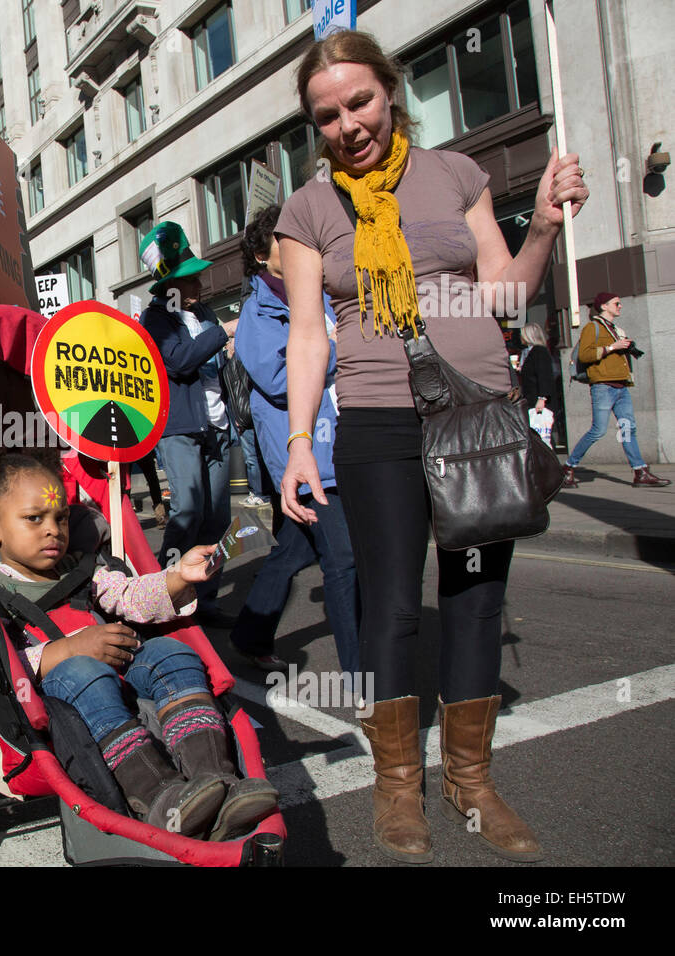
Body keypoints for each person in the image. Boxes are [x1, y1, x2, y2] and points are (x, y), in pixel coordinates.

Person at [277, 30, 589, 864]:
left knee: (478, 598)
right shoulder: (309, 210)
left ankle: (472, 782)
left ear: (391, 89)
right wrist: (300, 441)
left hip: (479, 417)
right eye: (328, 115)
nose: (347, 124)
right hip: (378, 422)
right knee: (389, 606)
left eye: (360, 102)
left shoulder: (456, 174)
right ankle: (397, 788)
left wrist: (546, 229)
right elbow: (308, 334)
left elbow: (505, 291)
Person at [0, 448, 278, 839]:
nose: (53, 529)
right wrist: (68, 649)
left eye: (61, 517)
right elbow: (2, 666)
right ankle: (157, 794)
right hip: (63, 693)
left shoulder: (85, 569)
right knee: (82, 669)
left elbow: (131, 596)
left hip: (121, 668)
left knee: (172, 652)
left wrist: (178, 577)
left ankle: (216, 779)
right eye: (34, 519)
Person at [229, 204, 359, 677]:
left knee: (294, 550)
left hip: (343, 443)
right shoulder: (255, 312)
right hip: (302, 457)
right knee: (344, 561)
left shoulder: (322, 294)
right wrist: (339, 353)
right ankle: (364, 675)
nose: (302, 244)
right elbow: (280, 377)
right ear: (264, 255)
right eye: (289, 239)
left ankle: (249, 633)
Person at [139, 221, 239, 625]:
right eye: (187, 277)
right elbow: (178, 361)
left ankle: (206, 601)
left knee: (216, 519)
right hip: (180, 428)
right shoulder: (156, 317)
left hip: (216, 427)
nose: (197, 282)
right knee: (187, 512)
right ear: (169, 287)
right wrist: (221, 334)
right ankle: (165, 596)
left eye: (195, 275)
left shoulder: (204, 313)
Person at [562, 292, 668, 488]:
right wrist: (612, 347)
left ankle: (640, 472)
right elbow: (584, 356)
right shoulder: (591, 328)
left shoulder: (616, 329)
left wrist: (626, 346)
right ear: (603, 306)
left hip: (621, 386)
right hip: (603, 387)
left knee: (628, 429)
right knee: (598, 431)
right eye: (616, 303)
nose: (620, 306)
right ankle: (568, 467)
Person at [517, 322, 559, 448]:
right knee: (540, 430)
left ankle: (548, 458)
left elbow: (544, 375)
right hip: (532, 397)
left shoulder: (539, 351)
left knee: (542, 430)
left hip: (538, 398)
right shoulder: (530, 352)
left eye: (522, 334)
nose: (520, 337)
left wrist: (542, 398)